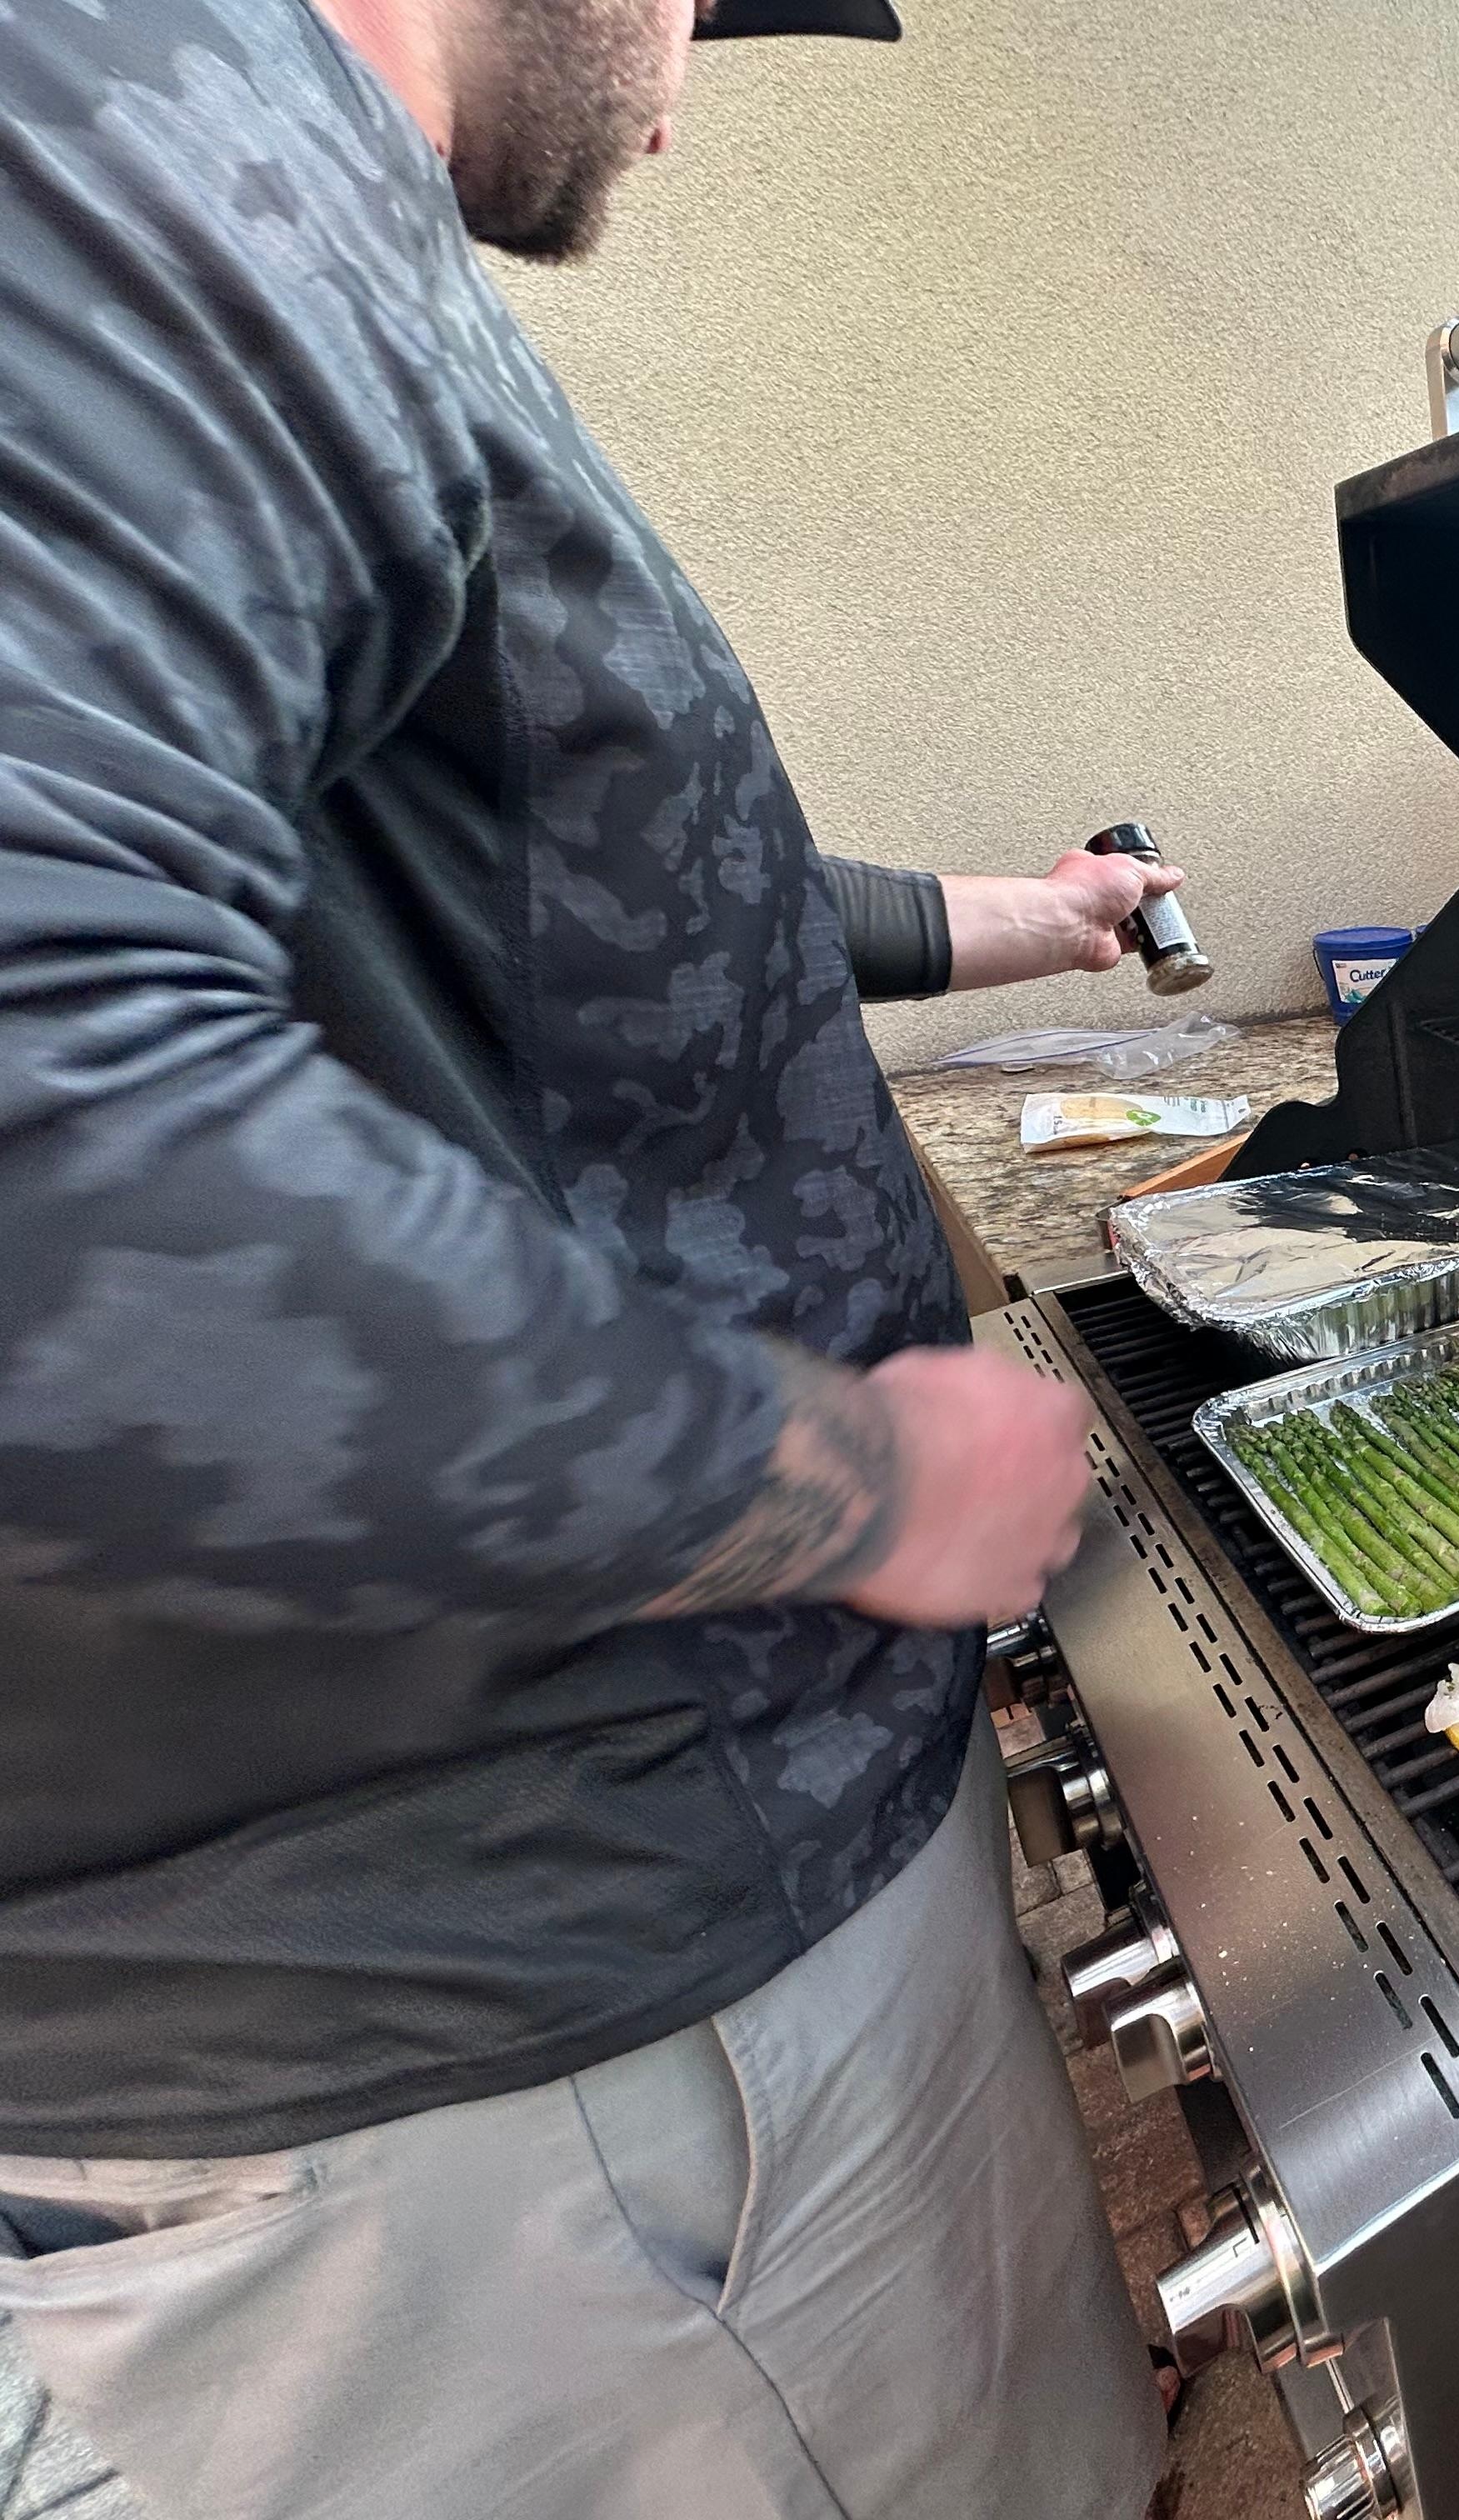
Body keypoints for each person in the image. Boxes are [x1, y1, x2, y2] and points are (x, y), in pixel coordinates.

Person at [0, 0, 1183, 2507]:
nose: (674, 90)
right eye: (679, 4)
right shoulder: (141, 105)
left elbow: (554, 867)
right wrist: (856, 1484)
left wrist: (1015, 921)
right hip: (551, 2084)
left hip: (583, 2005)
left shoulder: (244, 198)